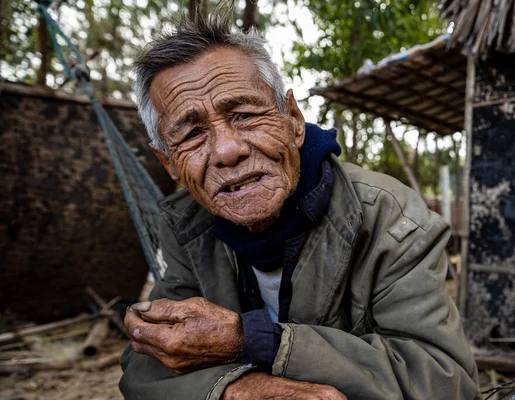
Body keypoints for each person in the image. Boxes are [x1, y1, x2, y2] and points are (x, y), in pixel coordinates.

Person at [119, 4, 479, 400]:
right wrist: (240, 392)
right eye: (191, 135)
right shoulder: (187, 226)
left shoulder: (393, 219)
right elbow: (144, 365)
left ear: (292, 119)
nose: (226, 150)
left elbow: (446, 383)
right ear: (167, 161)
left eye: (243, 114)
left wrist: (254, 340)